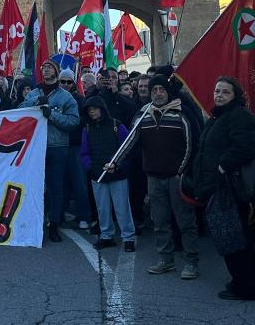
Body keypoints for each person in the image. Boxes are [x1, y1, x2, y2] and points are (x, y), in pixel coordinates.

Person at [115, 75, 201, 279]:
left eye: (161, 89)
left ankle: (191, 262)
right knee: (159, 221)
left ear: (168, 91)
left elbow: (192, 146)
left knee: (185, 222)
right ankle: (166, 260)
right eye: (154, 90)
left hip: (176, 178)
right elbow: (129, 141)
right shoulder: (142, 115)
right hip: (153, 178)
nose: (158, 93)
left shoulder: (182, 113)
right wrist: (115, 162)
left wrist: (181, 172)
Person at [191, 77, 255, 300]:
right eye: (217, 91)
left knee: (234, 237)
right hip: (217, 186)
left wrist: (221, 166)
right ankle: (241, 280)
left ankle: (245, 287)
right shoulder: (218, 116)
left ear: (235, 95)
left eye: (225, 92)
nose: (219, 95)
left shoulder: (239, 115)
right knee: (229, 236)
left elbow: (246, 146)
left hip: (230, 187)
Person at [20, 60, 79, 243]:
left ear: (56, 72)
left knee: (55, 188)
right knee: (35, 186)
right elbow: (20, 111)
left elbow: (73, 121)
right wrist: (35, 105)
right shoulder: (35, 93)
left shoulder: (66, 97)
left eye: (49, 68)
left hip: (57, 147)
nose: (45, 70)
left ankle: (54, 224)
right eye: (43, 68)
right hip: (36, 147)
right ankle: (36, 222)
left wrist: (51, 114)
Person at [80, 96, 135, 252]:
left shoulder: (117, 125)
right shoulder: (87, 129)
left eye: (94, 109)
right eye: (89, 110)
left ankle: (128, 237)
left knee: (122, 207)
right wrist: (91, 167)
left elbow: (127, 148)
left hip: (117, 173)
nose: (92, 113)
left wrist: (117, 165)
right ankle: (106, 235)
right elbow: (84, 153)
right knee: (102, 208)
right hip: (97, 175)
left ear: (102, 109)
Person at [59, 68, 91, 230]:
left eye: (68, 82)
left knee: (79, 183)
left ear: (73, 82)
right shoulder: (54, 98)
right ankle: (60, 214)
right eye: (62, 81)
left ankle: (84, 216)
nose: (65, 84)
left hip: (75, 145)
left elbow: (83, 121)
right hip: (58, 146)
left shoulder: (80, 100)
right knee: (60, 183)